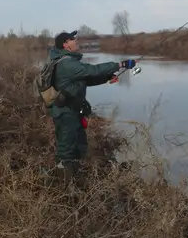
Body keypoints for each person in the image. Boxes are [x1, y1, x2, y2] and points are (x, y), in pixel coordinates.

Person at [48, 30, 136, 183]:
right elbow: (92, 70)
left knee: (79, 148)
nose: (76, 41)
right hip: (66, 114)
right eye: (72, 39)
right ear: (65, 44)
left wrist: (107, 77)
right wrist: (120, 64)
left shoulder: (69, 62)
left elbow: (86, 80)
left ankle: (75, 180)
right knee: (65, 152)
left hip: (74, 113)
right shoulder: (66, 63)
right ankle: (64, 190)